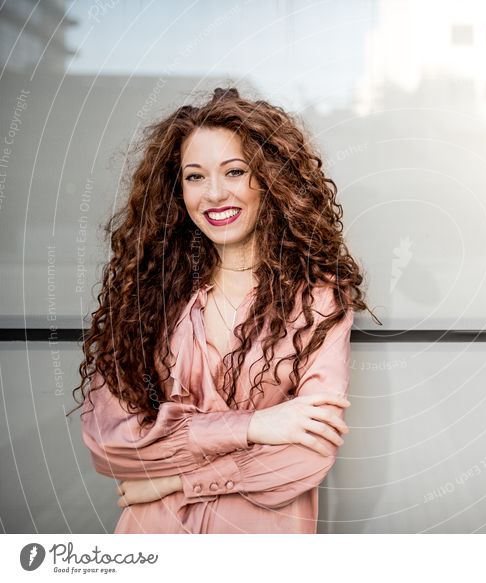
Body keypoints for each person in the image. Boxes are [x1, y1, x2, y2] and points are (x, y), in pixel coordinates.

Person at [68, 87, 379, 533]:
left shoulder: (316, 302)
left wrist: (173, 479)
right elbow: (110, 443)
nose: (213, 194)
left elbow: (309, 454)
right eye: (195, 177)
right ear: (177, 190)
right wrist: (254, 426)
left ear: (270, 180)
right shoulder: (147, 299)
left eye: (234, 171)